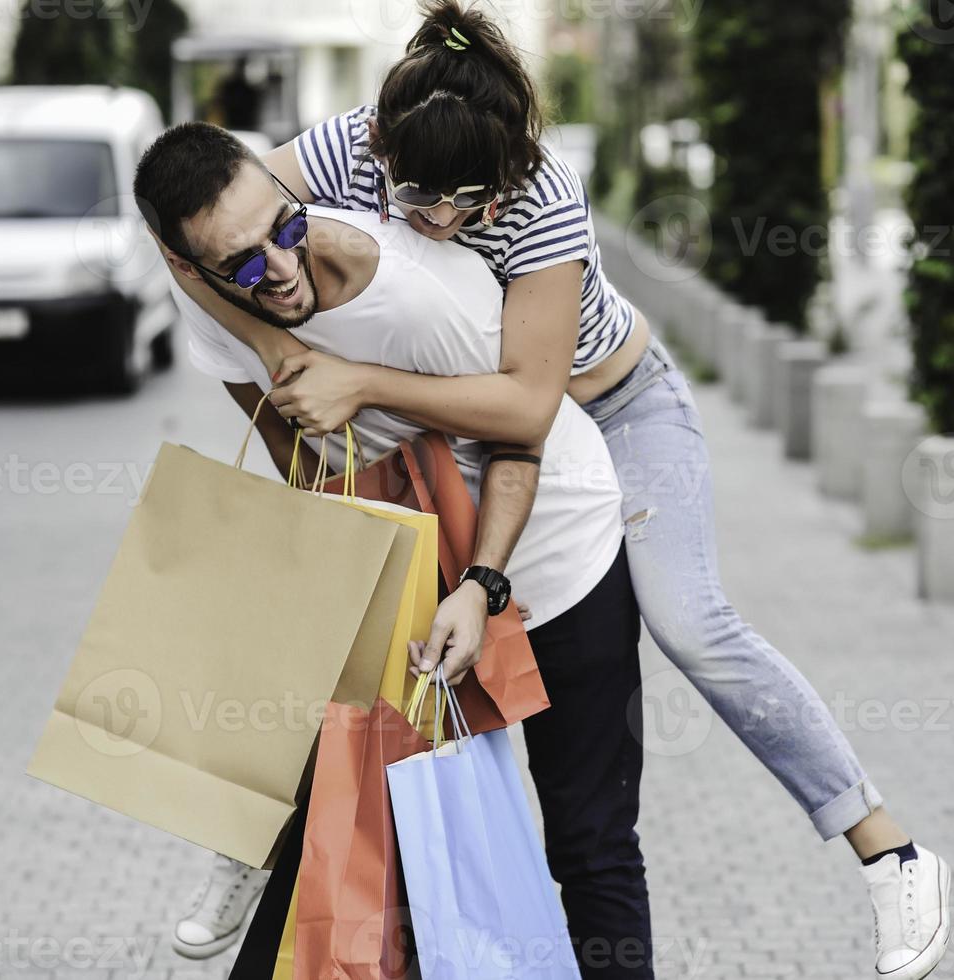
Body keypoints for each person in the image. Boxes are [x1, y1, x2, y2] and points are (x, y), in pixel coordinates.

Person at [167, 4, 952, 979]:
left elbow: (528, 400)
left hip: (615, 408)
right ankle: (248, 838)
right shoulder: (342, 150)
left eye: (469, 200)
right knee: (323, 611)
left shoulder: (544, 190)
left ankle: (890, 849)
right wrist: (280, 349)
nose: (441, 220)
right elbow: (185, 235)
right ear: (376, 147)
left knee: (692, 620)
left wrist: (359, 383)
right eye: (416, 196)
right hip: (481, 440)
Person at [135, 121, 657, 977]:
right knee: (379, 819)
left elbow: (520, 439)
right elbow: (307, 475)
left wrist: (483, 586)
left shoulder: (417, 292)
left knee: (587, 838)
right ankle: (257, 827)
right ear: (192, 271)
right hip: (420, 566)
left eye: (288, 226)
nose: (282, 266)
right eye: (243, 262)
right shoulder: (223, 314)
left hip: (553, 557)